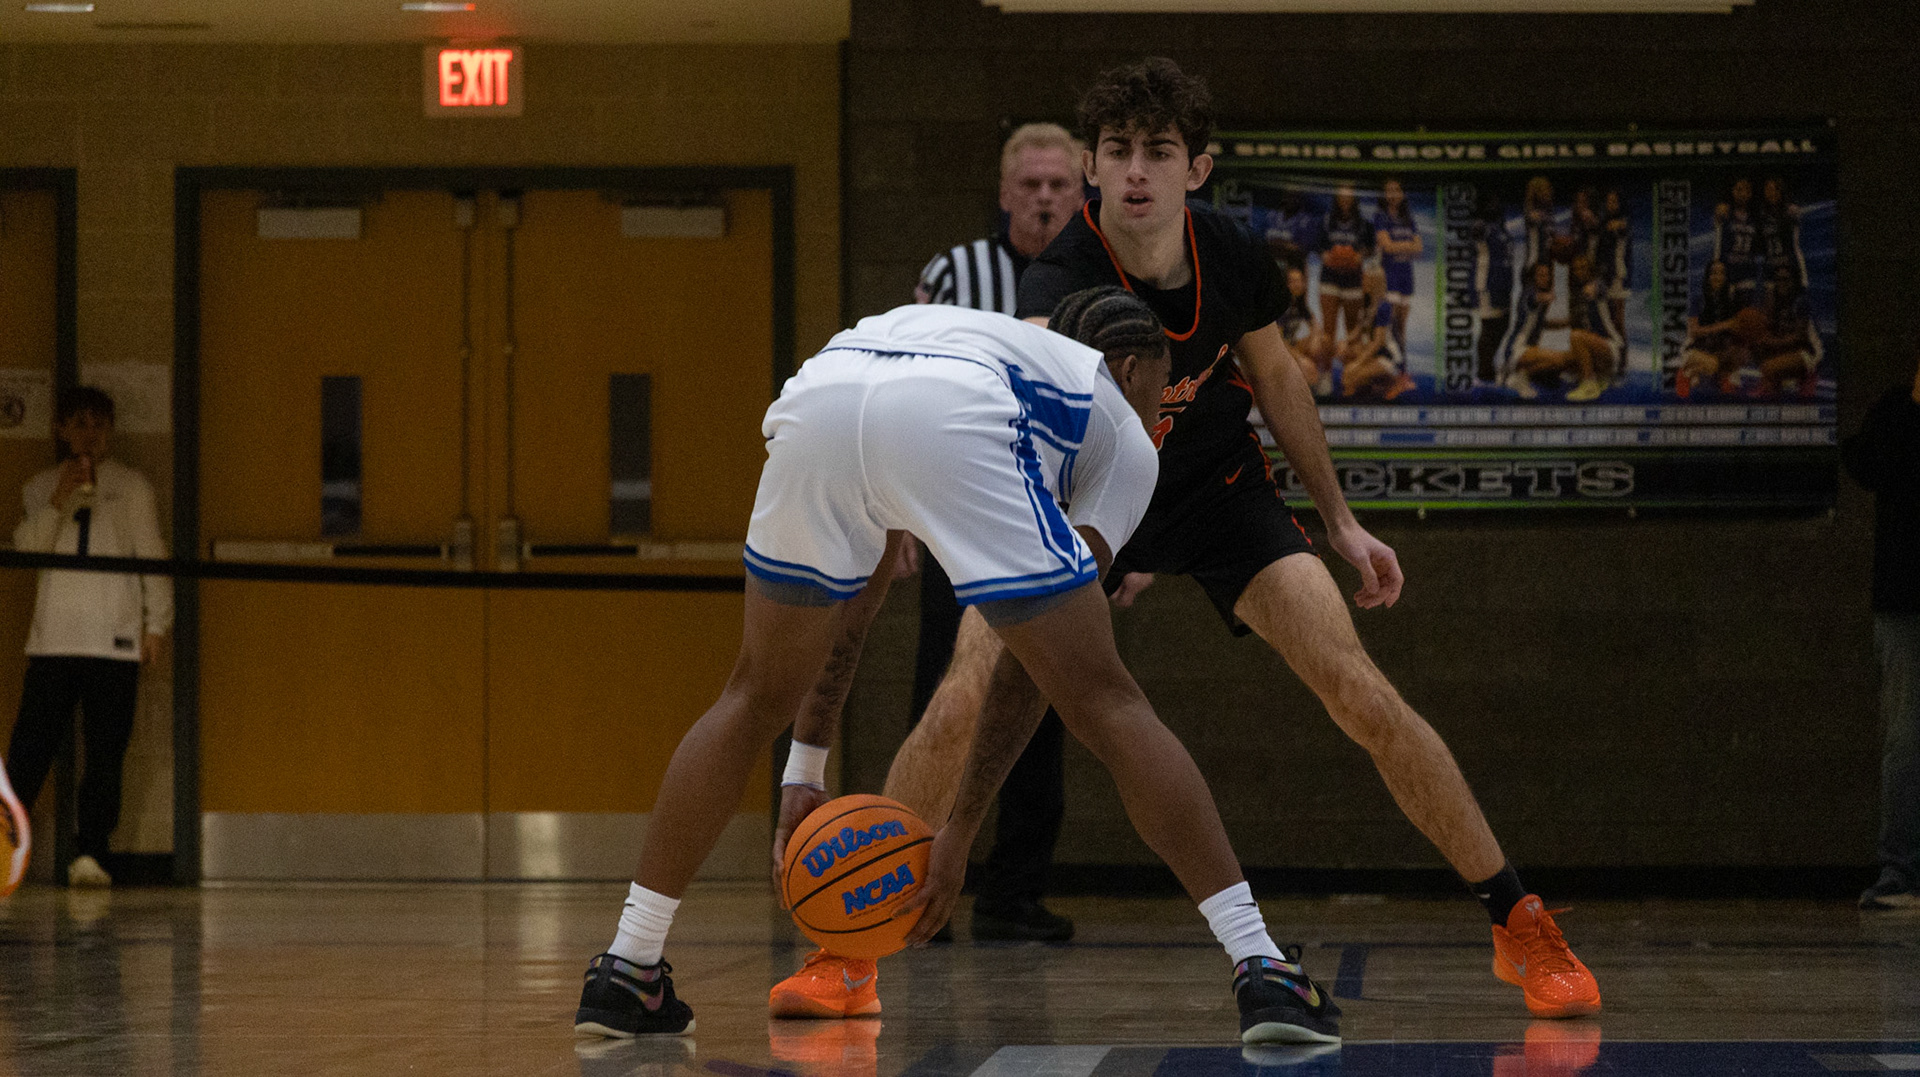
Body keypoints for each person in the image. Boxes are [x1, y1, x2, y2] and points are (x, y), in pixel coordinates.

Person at [980, 56, 1595, 1019]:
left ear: (1197, 168)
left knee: (1361, 690)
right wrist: (1078, 545)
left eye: (1159, 151)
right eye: (1118, 150)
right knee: (965, 690)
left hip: (1220, 492)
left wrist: (1340, 521)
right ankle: (853, 943)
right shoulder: (1056, 277)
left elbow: (1277, 379)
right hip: (1097, 495)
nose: (1135, 169)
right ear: (1092, 167)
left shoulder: (1227, 251)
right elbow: (1041, 425)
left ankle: (1520, 922)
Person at [574, 292, 1343, 1046]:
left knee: (750, 694)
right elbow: (1031, 662)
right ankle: (1262, 964)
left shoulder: (997, 349)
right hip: (949, 410)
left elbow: (859, 587)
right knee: (1109, 702)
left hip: (825, 389)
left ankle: (628, 965)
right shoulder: (1119, 428)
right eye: (1163, 392)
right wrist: (960, 829)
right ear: (1133, 370)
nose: (1160, 416)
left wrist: (805, 765)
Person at [902, 122, 1085, 944]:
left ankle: (1013, 893)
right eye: (1031, 185)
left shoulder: (1099, 276)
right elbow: (910, 385)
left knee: (1043, 697)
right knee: (947, 694)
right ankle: (914, 884)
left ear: (1081, 193)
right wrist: (902, 511)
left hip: (1054, 518)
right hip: (955, 511)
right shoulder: (956, 272)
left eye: (1058, 184)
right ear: (1006, 193)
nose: (1044, 198)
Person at [4, 386, 171, 890]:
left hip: (113, 639)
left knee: (105, 753)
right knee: (30, 750)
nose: (89, 435)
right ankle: (6, 846)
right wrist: (59, 499)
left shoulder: (132, 487)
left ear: (110, 432)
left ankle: (92, 852)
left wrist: (156, 624)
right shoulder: (39, 487)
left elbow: (152, 556)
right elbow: (27, 549)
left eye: (99, 425)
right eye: (79, 424)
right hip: (54, 639)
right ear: (61, 430)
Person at [1843, 352, 1920, 910]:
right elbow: (1866, 465)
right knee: (1907, 738)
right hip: (1906, 601)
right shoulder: (1896, 414)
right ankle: (1901, 872)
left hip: (1902, 600)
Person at [1337, 266, 1414, 400]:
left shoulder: (1384, 306)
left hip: (1389, 358)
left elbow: (1378, 342)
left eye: (1366, 279)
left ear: (1375, 282)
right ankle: (1371, 384)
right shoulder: (1367, 304)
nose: (1363, 282)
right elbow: (1357, 332)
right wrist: (1342, 343)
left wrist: (1357, 363)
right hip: (1376, 354)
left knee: (1348, 376)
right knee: (1346, 351)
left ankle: (1392, 382)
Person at [1370, 179, 1422, 351]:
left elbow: (1419, 248)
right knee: (1389, 324)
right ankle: (1387, 360)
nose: (1393, 194)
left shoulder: (1408, 219)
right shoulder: (1380, 216)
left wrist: (1399, 245)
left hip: (1406, 275)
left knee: (1401, 325)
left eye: (1396, 190)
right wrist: (1407, 245)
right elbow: (1387, 246)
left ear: (1402, 194)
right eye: (1389, 190)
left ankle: (1401, 362)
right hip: (1389, 275)